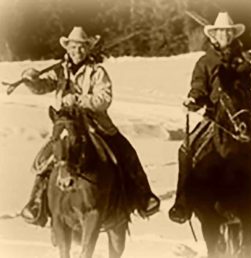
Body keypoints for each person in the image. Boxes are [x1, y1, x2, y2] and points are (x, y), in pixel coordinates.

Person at [20, 26, 160, 225]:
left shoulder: (97, 72)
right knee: (44, 159)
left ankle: (143, 197)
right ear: (67, 48)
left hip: (95, 124)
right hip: (65, 123)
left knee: (127, 152)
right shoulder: (59, 70)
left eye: (82, 47)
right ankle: (35, 203)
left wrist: (78, 99)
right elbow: (41, 87)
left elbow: (104, 98)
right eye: (74, 47)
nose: (77, 51)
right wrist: (30, 80)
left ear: (88, 49)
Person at [169, 12, 251, 224]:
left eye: (229, 32)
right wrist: (193, 100)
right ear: (213, 36)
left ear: (233, 34)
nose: (225, 35)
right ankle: (182, 204)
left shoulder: (246, 59)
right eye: (221, 32)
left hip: (245, 118)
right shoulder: (205, 61)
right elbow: (199, 87)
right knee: (185, 150)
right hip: (213, 119)